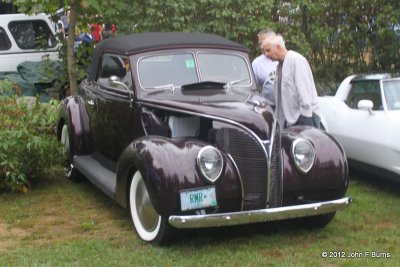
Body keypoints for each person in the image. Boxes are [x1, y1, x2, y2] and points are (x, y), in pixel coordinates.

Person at [260, 35, 321, 129]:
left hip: (305, 118)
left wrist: (304, 120)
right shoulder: (280, 65)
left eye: (268, 50)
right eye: (264, 51)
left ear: (278, 47)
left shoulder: (296, 60)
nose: (266, 54)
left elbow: (305, 93)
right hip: (288, 119)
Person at [252, 29, 278, 109]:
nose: (262, 46)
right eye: (260, 44)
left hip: (288, 107)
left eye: (264, 43)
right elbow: (252, 88)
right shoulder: (257, 63)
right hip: (269, 106)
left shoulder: (285, 58)